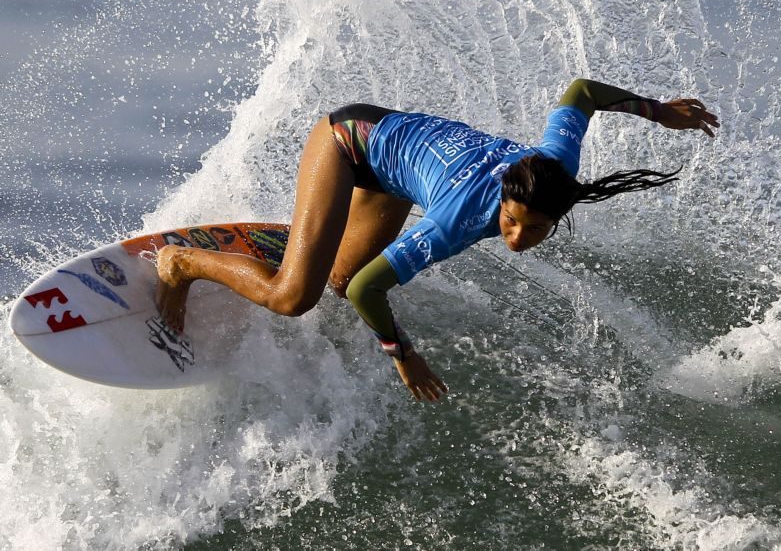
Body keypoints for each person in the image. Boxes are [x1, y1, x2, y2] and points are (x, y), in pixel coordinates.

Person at [155, 79, 719, 401]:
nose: (517, 236)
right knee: (292, 299)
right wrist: (405, 357)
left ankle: (306, 241)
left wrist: (658, 113)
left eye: (535, 229)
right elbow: (370, 295)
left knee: (337, 278)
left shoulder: (555, 167)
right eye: (512, 220)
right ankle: (182, 266)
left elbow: (581, 93)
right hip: (348, 141)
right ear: (503, 198)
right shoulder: (458, 219)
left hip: (394, 167)